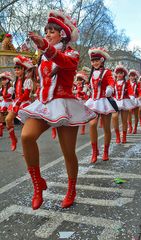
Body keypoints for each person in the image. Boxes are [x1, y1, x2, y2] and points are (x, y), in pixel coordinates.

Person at [18, 9, 96, 210]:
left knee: (68, 152)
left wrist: (44, 46)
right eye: (46, 30)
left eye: (52, 30)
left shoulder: (72, 54)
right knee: (26, 136)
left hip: (65, 105)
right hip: (44, 104)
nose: (48, 33)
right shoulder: (42, 56)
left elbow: (64, 62)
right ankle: (38, 184)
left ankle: (71, 188)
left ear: (62, 34)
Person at [85, 47, 116, 163]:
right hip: (93, 101)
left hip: (104, 102)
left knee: (107, 128)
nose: (94, 63)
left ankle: (106, 151)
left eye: (97, 60)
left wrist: (110, 87)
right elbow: (91, 85)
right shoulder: (92, 73)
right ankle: (94, 151)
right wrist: (86, 88)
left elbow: (111, 81)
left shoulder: (107, 72)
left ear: (102, 60)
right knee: (92, 125)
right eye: (93, 61)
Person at [5, 55, 34, 151]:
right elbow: (12, 94)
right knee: (8, 120)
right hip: (16, 102)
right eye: (16, 69)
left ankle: (26, 148)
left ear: (23, 69)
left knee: (24, 127)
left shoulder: (28, 80)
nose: (16, 71)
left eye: (19, 69)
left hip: (24, 103)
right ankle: (14, 140)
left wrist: (18, 102)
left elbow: (26, 94)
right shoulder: (15, 81)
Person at [112, 65, 135, 144]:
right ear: (116, 74)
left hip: (124, 102)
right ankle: (118, 136)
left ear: (124, 74)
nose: (119, 75)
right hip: (115, 101)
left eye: (121, 73)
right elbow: (111, 92)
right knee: (114, 117)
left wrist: (131, 96)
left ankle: (124, 136)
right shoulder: (113, 82)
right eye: (117, 73)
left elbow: (130, 91)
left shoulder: (126, 83)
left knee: (124, 121)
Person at [74, 70, 90, 135]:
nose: (79, 81)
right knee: (75, 115)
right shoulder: (75, 86)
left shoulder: (85, 86)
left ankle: (83, 129)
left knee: (83, 116)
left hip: (83, 101)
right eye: (78, 80)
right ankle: (75, 127)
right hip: (76, 101)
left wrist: (77, 92)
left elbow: (84, 92)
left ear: (83, 80)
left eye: (80, 80)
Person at [127, 69, 141, 134]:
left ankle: (135, 127)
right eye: (131, 76)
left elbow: (140, 92)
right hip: (128, 100)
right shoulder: (126, 83)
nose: (132, 77)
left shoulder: (138, 84)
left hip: (135, 99)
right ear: (129, 76)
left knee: (136, 114)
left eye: (133, 76)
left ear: (135, 76)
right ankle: (130, 126)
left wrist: (139, 96)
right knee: (129, 113)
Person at [0, 72, 14, 137]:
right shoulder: (2, 88)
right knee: (1, 115)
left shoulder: (10, 88)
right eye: (2, 80)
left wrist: (3, 97)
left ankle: (11, 131)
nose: (2, 81)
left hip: (9, 103)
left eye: (4, 79)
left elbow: (9, 95)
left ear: (8, 80)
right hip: (4, 103)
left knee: (10, 118)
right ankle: (1, 129)